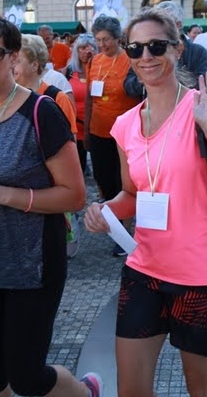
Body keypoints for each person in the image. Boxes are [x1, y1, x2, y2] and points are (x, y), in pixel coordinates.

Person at [83, 8, 207, 397]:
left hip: (202, 277)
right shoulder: (125, 125)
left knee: (201, 389)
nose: (146, 56)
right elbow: (132, 194)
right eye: (136, 48)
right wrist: (104, 211)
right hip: (145, 270)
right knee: (132, 390)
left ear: (177, 50)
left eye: (156, 46)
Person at [0, 13, 101, 397]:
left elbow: (75, 195)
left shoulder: (41, 112)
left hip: (32, 263)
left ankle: (86, 391)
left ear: (13, 58)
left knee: (27, 377)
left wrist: (1, 194)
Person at [85, 15, 140, 255]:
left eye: (106, 39)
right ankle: (115, 221)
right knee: (103, 178)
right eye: (98, 39)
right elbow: (89, 97)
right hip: (98, 130)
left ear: (118, 38)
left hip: (124, 132)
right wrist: (86, 129)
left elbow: (138, 95)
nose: (102, 45)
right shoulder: (95, 61)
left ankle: (124, 231)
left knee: (123, 182)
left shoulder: (130, 59)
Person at [124, 0, 207, 97]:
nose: (146, 57)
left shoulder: (197, 51)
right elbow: (128, 85)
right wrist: (144, 78)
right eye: (134, 47)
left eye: (157, 46)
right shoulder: (140, 55)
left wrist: (166, 80)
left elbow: (205, 83)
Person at [16, 34, 78, 137]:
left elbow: (69, 145)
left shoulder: (57, 98)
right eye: (9, 59)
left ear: (34, 65)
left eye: (17, 61)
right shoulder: (5, 96)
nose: (10, 65)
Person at [66, 33, 98, 174]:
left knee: (101, 166)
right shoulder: (69, 72)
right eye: (82, 48)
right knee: (78, 166)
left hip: (97, 125)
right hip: (75, 126)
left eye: (91, 47)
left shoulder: (103, 72)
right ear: (76, 51)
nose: (87, 51)